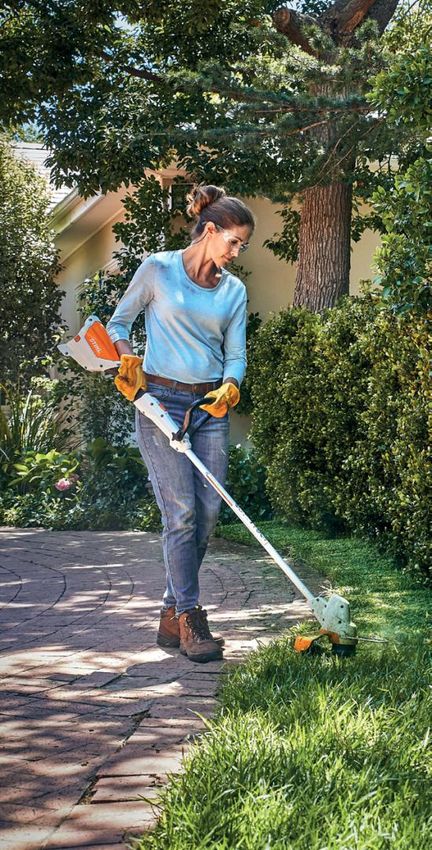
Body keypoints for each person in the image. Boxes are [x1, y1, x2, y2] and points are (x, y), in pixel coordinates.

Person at [106, 184, 255, 663]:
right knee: (181, 514)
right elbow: (118, 324)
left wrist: (230, 384)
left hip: (209, 407)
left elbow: (235, 354)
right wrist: (127, 361)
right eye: (233, 241)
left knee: (207, 514)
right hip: (159, 402)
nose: (236, 252)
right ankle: (190, 617)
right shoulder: (159, 269)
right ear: (209, 230)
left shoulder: (233, 291)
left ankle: (172, 614)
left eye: (242, 246)